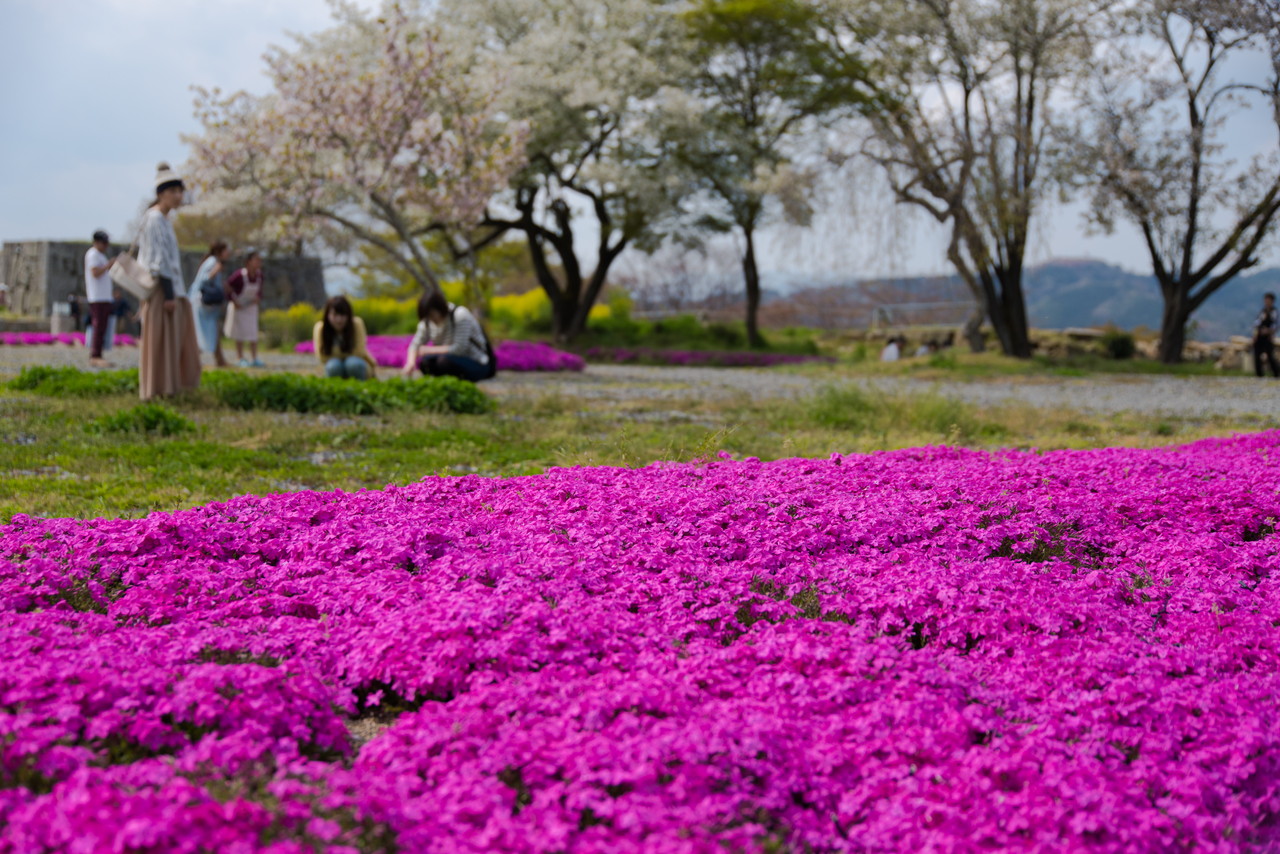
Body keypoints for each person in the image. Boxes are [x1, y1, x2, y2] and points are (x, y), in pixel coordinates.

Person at [137, 162, 201, 400]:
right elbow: (157, 261)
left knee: (171, 342)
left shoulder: (164, 220)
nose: (178, 196)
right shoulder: (154, 219)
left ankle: (168, 387)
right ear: (161, 194)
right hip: (162, 291)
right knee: (160, 342)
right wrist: (169, 294)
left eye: (179, 191)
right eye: (173, 191)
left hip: (172, 289)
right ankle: (156, 389)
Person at [401, 292, 493, 382]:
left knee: (443, 362)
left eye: (432, 315)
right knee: (426, 363)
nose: (431, 319)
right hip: (452, 361)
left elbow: (459, 349)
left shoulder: (459, 315)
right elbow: (415, 345)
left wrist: (428, 350)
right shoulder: (427, 321)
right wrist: (411, 363)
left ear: (440, 308)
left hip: (477, 363)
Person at [313, 296, 377, 380]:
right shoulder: (321, 328)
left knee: (352, 364)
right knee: (334, 365)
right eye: (335, 315)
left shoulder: (356, 324)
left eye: (342, 315)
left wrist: (334, 352)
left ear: (348, 315)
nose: (339, 320)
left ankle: (361, 389)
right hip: (335, 366)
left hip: (357, 366)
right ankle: (337, 391)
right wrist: (347, 351)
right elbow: (322, 357)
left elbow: (359, 352)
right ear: (327, 315)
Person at [192, 241, 230, 367]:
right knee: (204, 332)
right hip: (203, 303)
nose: (228, 253)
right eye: (226, 250)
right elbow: (203, 280)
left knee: (211, 331)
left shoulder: (212, 261)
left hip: (209, 306)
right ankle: (193, 360)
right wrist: (215, 272)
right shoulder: (212, 262)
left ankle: (219, 360)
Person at [224, 249, 264, 367]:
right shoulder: (239, 275)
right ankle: (240, 357)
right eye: (256, 260)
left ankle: (254, 357)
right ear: (248, 262)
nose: (258, 263)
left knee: (253, 332)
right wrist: (233, 300)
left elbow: (260, 290)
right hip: (239, 306)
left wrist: (258, 297)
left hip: (251, 306)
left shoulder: (259, 275)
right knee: (239, 333)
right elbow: (227, 286)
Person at [84, 230, 116, 366]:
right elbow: (95, 272)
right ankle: (95, 354)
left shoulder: (100, 255)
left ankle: (98, 353)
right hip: (97, 296)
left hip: (104, 296)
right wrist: (108, 265)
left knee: (102, 326)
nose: (106, 245)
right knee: (98, 325)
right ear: (96, 242)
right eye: (104, 242)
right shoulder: (93, 254)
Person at [1253, 292, 1279, 378]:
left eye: (1268, 300)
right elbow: (1257, 323)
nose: (1266, 302)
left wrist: (1269, 332)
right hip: (1260, 336)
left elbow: (1275, 325)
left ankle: (1276, 373)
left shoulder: (1274, 312)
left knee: (1270, 355)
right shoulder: (1262, 311)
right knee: (1257, 355)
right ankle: (1259, 374)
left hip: (1268, 336)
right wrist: (1255, 334)